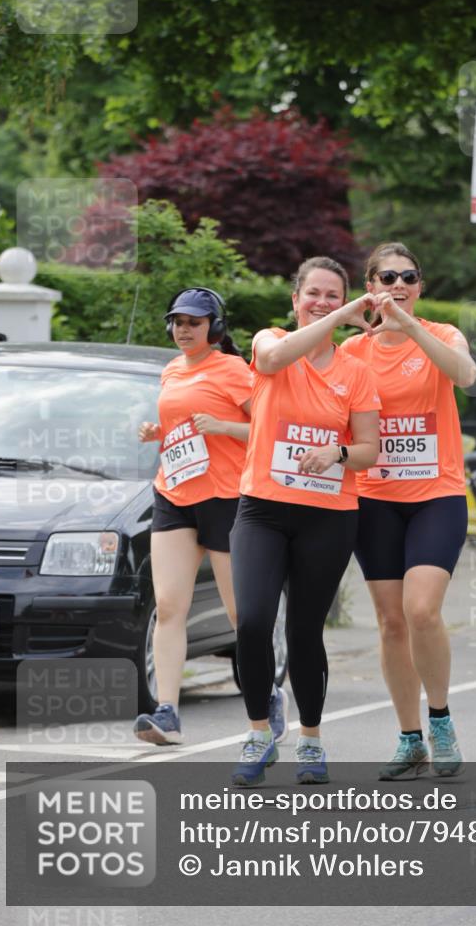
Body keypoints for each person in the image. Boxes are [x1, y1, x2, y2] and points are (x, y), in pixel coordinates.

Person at [230, 257, 381, 786]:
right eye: (312, 293)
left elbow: (369, 451)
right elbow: (274, 361)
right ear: (295, 300)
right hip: (263, 511)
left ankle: (311, 739)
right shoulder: (269, 340)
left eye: (332, 295)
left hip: (327, 516)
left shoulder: (356, 372)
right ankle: (257, 731)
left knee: (304, 631)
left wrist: (336, 454)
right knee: (251, 622)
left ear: (342, 303)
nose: (321, 301)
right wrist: (337, 319)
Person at [341, 243, 476, 779]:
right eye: (387, 277)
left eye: (409, 276)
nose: (399, 284)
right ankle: (409, 737)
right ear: (370, 286)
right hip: (374, 498)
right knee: (391, 622)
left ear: (419, 286)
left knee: (422, 610)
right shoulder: (354, 353)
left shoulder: (441, 335)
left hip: (435, 495)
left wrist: (409, 326)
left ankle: (440, 720)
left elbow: (464, 375)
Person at [133, 287, 289, 745]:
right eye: (178, 321)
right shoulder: (170, 369)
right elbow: (183, 428)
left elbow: (267, 429)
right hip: (175, 493)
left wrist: (222, 427)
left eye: (194, 322)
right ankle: (167, 713)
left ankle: (268, 697)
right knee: (169, 606)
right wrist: (158, 432)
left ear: (215, 328)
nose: (184, 329)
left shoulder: (234, 370)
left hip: (225, 498)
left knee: (243, 613)